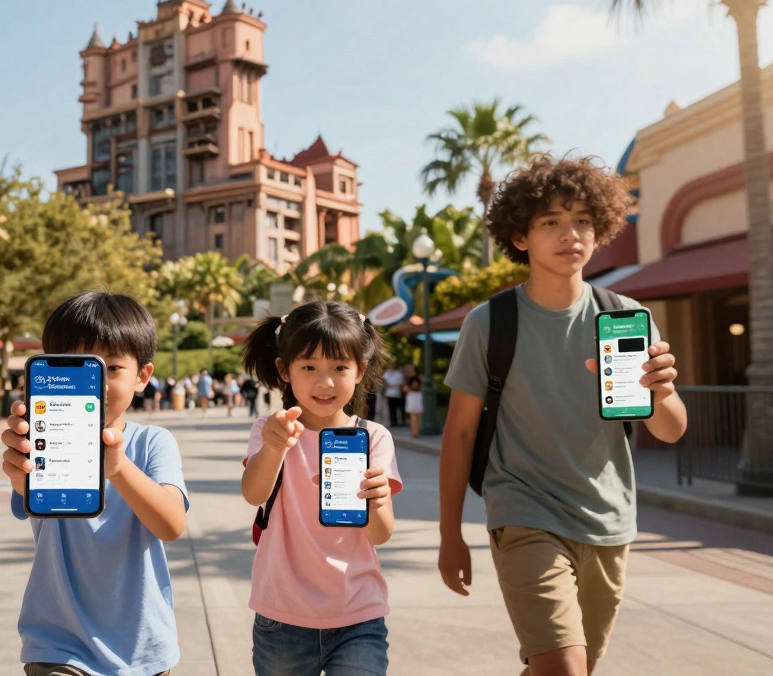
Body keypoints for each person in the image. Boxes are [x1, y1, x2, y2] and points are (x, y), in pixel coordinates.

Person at [438, 155, 686, 676]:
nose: (570, 234)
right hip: (522, 510)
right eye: (550, 221)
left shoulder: (626, 316)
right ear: (521, 237)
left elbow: (669, 428)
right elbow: (459, 435)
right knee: (565, 669)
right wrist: (449, 535)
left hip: (607, 519)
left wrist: (660, 392)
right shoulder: (489, 323)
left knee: (570, 669)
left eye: (582, 221)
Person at [0, 291, 189, 676]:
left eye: (113, 368)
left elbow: (171, 525)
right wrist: (20, 473)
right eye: (77, 367)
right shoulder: (42, 438)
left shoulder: (153, 443)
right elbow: (27, 494)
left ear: (143, 377)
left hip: (142, 648)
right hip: (58, 643)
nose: (96, 383)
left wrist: (118, 468)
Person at [240, 300, 401, 676]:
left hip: (358, 615)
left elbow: (380, 534)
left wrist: (376, 501)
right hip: (281, 619)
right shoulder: (270, 430)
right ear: (284, 370)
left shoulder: (372, 437)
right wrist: (276, 445)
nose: (324, 382)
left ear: (360, 370)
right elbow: (253, 494)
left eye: (340, 367)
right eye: (308, 367)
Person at [404, 372, 423, 437]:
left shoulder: (418, 380)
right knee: (413, 416)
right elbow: (405, 389)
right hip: (412, 397)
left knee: (418, 416)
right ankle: (414, 432)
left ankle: (416, 431)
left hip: (417, 397)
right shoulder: (409, 380)